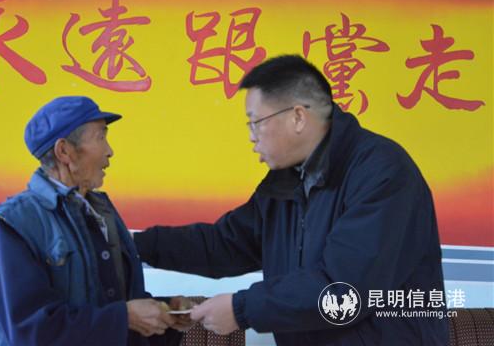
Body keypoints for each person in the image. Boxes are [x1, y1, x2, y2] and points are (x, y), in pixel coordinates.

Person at [133, 55, 449, 345]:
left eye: (256, 121)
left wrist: (242, 309)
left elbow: (342, 291)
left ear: (297, 117)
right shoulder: (286, 183)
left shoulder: (382, 173)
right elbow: (224, 244)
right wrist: (133, 245)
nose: (251, 136)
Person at [0, 96, 191, 346]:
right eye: (101, 137)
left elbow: (111, 301)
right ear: (64, 151)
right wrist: (124, 318)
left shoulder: (101, 211)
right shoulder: (13, 223)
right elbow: (31, 332)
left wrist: (164, 311)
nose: (110, 151)